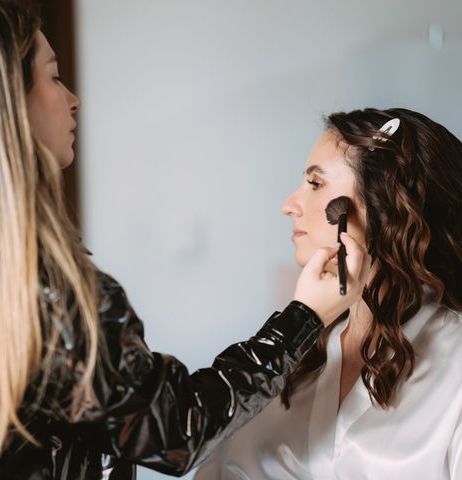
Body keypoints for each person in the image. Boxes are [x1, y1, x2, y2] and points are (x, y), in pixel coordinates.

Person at [0, 2, 369, 479]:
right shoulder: (33, 280)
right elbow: (175, 428)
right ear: (7, 102)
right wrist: (302, 318)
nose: (74, 99)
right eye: (55, 78)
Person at [195, 107, 462, 480]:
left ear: (384, 205)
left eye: (315, 184)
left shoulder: (454, 366)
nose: (289, 205)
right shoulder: (292, 356)